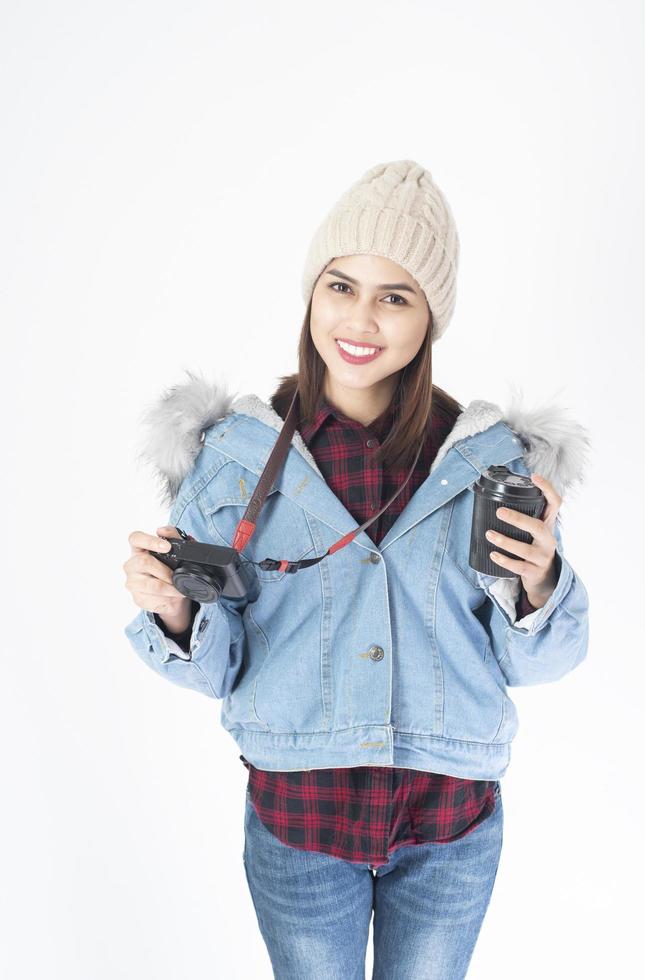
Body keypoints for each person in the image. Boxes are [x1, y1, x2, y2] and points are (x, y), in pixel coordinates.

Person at [123, 160, 591, 979]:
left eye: (395, 296)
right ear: (311, 293)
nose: (361, 319)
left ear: (428, 320)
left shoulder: (488, 466)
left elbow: (540, 662)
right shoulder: (233, 462)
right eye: (341, 286)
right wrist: (172, 611)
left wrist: (542, 583)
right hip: (301, 823)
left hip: (451, 823)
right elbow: (217, 668)